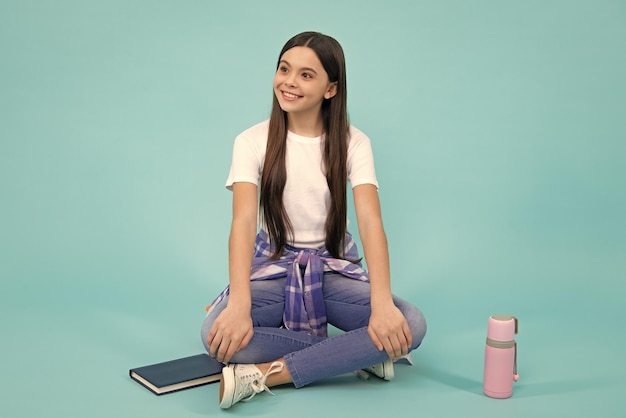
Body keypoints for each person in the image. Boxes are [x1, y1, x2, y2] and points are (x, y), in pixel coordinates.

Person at [201, 31, 427, 409]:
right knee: (215, 334)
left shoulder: (354, 143)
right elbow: (242, 222)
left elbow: (371, 221)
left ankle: (265, 374)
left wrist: (383, 304)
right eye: (284, 69)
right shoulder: (251, 141)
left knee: (412, 323)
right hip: (273, 269)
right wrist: (239, 303)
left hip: (332, 270)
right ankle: (359, 354)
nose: (289, 81)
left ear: (331, 89)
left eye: (306, 75)